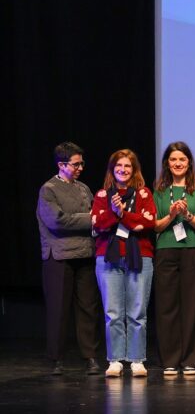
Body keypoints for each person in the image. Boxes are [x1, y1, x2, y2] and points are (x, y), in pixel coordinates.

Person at [37, 141, 102, 376]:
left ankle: (90, 356)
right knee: (59, 309)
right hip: (60, 256)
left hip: (85, 253)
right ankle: (56, 358)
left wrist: (93, 218)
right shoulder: (49, 190)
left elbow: (97, 214)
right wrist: (89, 219)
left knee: (88, 308)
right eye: (76, 164)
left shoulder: (83, 188)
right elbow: (58, 221)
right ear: (61, 165)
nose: (80, 168)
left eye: (81, 163)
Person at [91, 149, 156, 378]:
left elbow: (148, 222)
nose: (123, 169)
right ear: (112, 169)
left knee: (137, 312)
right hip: (108, 258)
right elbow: (98, 223)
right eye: (119, 165)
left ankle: (137, 359)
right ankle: (115, 360)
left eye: (128, 166)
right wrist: (115, 212)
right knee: (113, 312)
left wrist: (121, 215)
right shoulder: (102, 195)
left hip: (139, 256)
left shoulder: (144, 194)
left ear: (134, 170)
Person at [152, 142, 195, 377]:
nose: (177, 164)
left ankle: (191, 359)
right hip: (166, 250)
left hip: (192, 250)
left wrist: (187, 215)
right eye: (173, 159)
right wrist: (172, 214)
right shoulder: (159, 191)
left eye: (182, 160)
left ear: (189, 163)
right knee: (167, 306)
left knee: (192, 305)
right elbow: (155, 226)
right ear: (167, 163)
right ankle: (170, 359)